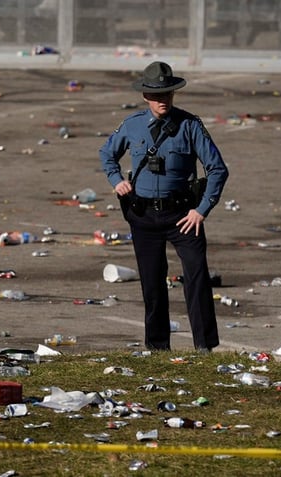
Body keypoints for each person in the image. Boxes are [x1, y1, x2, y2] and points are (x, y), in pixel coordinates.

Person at [98, 61, 229, 353]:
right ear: (145, 96)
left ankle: (204, 346)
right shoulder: (132, 125)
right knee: (152, 283)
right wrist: (116, 180)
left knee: (196, 278)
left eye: (167, 94)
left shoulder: (190, 125)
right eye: (156, 96)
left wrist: (202, 209)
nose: (162, 101)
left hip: (183, 215)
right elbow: (107, 153)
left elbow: (217, 169)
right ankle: (158, 347)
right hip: (143, 216)